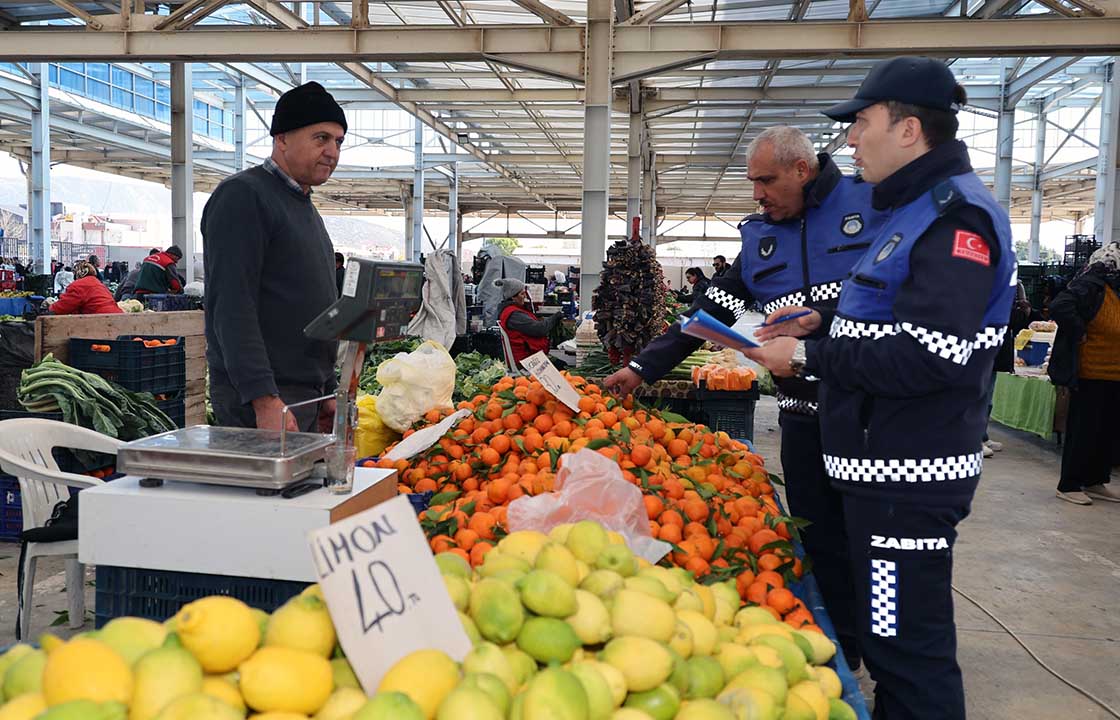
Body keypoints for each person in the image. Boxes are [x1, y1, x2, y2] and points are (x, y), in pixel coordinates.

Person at [746, 57, 1014, 720]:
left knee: (905, 650)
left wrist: (808, 354)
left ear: (908, 129)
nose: (851, 139)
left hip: (905, 488)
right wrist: (825, 319)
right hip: (880, 479)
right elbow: (898, 314)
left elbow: (934, 353)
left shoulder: (956, 221)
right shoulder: (913, 211)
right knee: (889, 638)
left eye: (861, 123)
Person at [605, 124, 883, 670]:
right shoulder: (760, 238)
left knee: (876, 541)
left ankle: (891, 654)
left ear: (802, 170)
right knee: (821, 539)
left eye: (766, 180)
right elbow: (709, 317)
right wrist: (641, 368)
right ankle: (846, 651)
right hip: (803, 417)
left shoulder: (872, 205)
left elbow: (900, 299)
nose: (757, 193)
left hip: (872, 411)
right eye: (753, 182)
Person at [203, 81, 346, 432]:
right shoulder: (244, 196)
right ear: (281, 138)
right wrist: (264, 399)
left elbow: (312, 304)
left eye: (339, 142)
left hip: (302, 395)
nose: (332, 151)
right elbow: (232, 306)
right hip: (264, 398)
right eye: (321, 138)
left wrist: (325, 388)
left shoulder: (305, 208)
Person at [1050, 241, 1120, 505]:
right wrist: (1080, 332)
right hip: (1092, 371)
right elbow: (1060, 306)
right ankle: (1069, 484)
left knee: (1107, 431)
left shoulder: (1115, 286)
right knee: (1084, 430)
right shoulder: (1092, 283)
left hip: (1115, 372)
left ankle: (1094, 481)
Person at [495, 278, 561, 367]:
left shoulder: (511, 311)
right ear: (513, 297)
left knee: (560, 363)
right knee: (562, 366)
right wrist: (555, 318)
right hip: (526, 360)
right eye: (522, 294)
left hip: (526, 356)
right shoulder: (514, 314)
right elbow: (540, 329)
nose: (525, 296)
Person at [49, 261, 122, 315]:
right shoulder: (99, 284)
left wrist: (49, 309)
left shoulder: (78, 285)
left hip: (101, 321)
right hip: (117, 317)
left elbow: (62, 307)